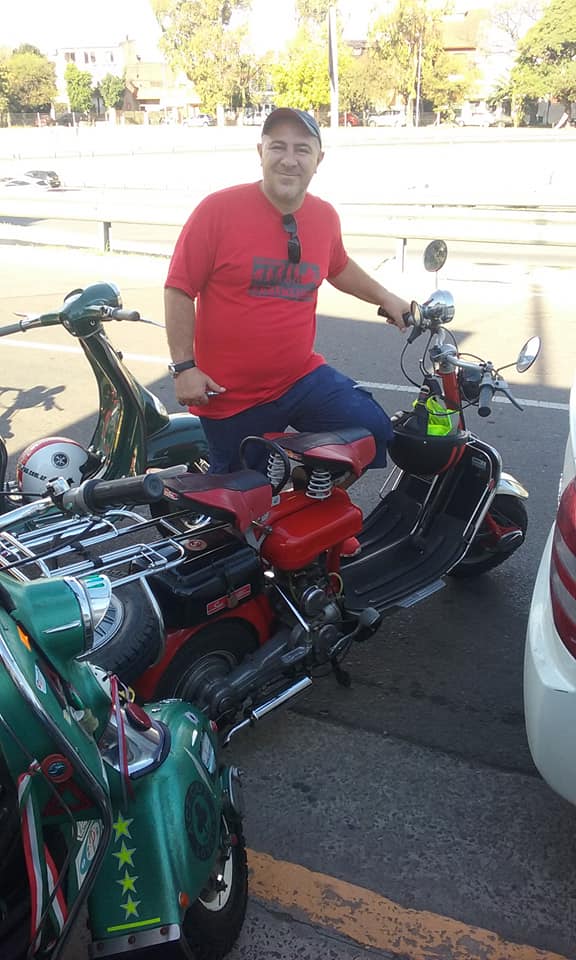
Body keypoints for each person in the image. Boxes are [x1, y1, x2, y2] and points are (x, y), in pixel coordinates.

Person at [164, 107, 411, 474]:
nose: (289, 160)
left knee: (371, 431)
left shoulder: (324, 216)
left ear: (318, 160)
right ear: (260, 152)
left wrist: (386, 297)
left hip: (299, 379)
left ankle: (306, 495)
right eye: (278, 147)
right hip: (231, 396)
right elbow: (179, 288)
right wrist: (184, 368)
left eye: (302, 149)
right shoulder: (217, 211)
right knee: (243, 500)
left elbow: (337, 265)